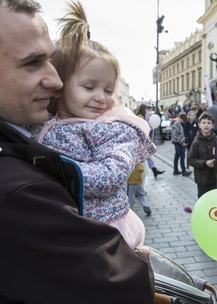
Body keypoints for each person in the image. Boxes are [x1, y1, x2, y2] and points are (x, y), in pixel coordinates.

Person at [0, 0, 154, 304]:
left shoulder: (3, 141)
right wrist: (139, 264)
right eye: (33, 62)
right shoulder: (12, 194)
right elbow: (124, 294)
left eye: (50, 59)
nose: (54, 79)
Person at [32, 1, 154, 249]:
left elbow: (111, 175)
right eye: (89, 87)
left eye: (108, 89)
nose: (101, 96)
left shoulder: (114, 128)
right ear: (58, 86)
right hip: (67, 228)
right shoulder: (43, 121)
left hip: (104, 231)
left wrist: (58, 173)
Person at [187, 113, 217, 198]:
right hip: (202, 180)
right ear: (199, 125)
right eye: (204, 123)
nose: (206, 125)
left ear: (212, 125)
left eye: (209, 123)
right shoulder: (196, 142)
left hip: (216, 179)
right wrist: (204, 163)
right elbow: (191, 160)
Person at [136, 104, 165, 178]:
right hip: (141, 141)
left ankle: (154, 170)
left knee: (147, 156)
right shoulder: (140, 117)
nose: (147, 111)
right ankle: (152, 170)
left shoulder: (141, 116)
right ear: (143, 109)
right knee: (146, 156)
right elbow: (142, 131)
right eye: (146, 110)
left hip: (142, 140)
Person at [171, 111, 191, 176]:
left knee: (177, 156)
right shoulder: (177, 124)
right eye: (182, 120)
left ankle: (176, 170)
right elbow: (175, 135)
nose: (183, 122)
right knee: (182, 156)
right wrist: (182, 142)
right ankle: (183, 171)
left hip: (177, 142)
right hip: (178, 143)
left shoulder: (177, 123)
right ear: (180, 118)